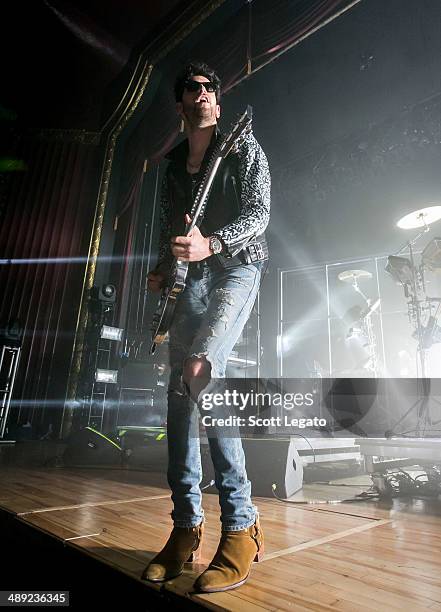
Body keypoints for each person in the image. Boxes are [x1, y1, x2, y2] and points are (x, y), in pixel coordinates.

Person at [141, 61, 270, 593]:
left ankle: (240, 527)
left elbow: (259, 213)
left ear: (217, 101)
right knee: (178, 397)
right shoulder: (173, 164)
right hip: (189, 279)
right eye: (189, 89)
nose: (199, 95)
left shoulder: (243, 145)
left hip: (237, 268)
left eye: (208, 88)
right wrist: (161, 264)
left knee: (201, 375)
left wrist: (213, 243)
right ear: (180, 106)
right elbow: (174, 225)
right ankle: (184, 529)